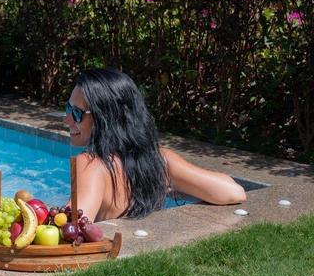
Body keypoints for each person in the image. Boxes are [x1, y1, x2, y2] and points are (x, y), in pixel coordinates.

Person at [63, 68, 246, 221]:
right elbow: (233, 191)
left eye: (77, 113)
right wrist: (177, 185)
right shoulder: (159, 161)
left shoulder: (91, 164)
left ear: (106, 118)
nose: (67, 120)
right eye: (68, 109)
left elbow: (72, 227)